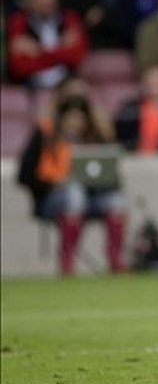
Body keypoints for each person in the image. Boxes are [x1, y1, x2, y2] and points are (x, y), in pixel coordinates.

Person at [17, 95, 126, 275]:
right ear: (61, 118)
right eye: (71, 117)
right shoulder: (45, 137)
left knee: (116, 201)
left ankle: (115, 260)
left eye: (80, 117)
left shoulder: (94, 139)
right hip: (52, 199)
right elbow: (24, 176)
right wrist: (53, 182)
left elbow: (111, 176)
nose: (75, 122)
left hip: (91, 197)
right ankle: (67, 262)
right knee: (74, 194)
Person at [6, 0, 88, 90]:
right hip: (31, 88)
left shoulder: (71, 20)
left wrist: (39, 51)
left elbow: (76, 57)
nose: (48, 1)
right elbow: (19, 66)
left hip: (66, 87)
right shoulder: (18, 23)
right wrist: (60, 49)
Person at [115, 64, 158, 154]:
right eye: (151, 79)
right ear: (143, 83)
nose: (155, 83)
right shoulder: (130, 109)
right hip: (135, 160)